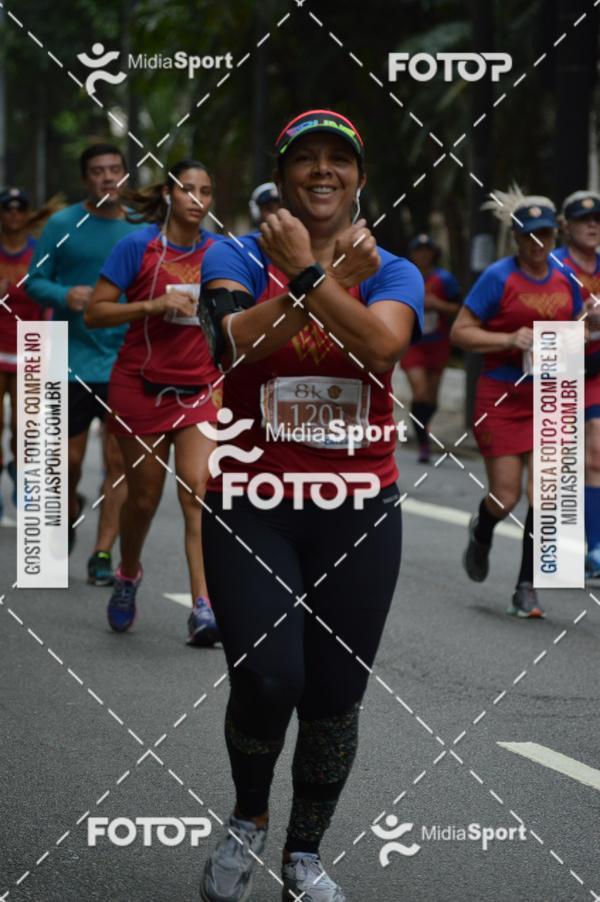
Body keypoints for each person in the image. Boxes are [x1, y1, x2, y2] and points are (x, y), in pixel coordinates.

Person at [197, 109, 424, 902]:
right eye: (306, 160)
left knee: (334, 697)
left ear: (360, 178)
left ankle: (304, 854)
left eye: (338, 160)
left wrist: (313, 279)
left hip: (358, 506)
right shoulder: (233, 254)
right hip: (252, 500)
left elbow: (382, 346)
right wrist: (310, 280)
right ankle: (248, 819)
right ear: (285, 171)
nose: (321, 172)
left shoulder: (394, 269)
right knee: (266, 677)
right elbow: (236, 346)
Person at [85, 160, 223, 645]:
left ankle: (204, 607)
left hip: (199, 389)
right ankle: (127, 573)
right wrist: (153, 304)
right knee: (143, 498)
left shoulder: (220, 252)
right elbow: (95, 313)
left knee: (197, 491)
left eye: (206, 191)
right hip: (139, 386)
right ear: (168, 194)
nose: (197, 199)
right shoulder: (137, 246)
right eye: (188, 189)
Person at [451, 189, 583, 618]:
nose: (537, 244)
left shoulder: (566, 276)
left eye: (544, 234)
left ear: (554, 234)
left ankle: (527, 586)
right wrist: (508, 338)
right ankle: (484, 527)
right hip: (503, 393)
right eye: (528, 236)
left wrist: (582, 328)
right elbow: (461, 332)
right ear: (517, 238)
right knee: (506, 497)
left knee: (546, 498)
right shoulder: (498, 277)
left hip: (552, 393)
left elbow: (578, 325)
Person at [27, 143, 140, 585]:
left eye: (115, 169)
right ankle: (70, 504)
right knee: (68, 461)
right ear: (86, 179)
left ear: (126, 176)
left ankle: (102, 552)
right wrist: (64, 295)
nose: (107, 177)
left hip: (127, 358)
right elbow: (35, 280)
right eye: (98, 171)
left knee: (117, 461)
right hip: (69, 358)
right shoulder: (62, 224)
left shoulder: (142, 226)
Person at [553, 191, 600, 580]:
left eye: (598, 218)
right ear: (566, 225)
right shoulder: (554, 266)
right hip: (562, 369)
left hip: (598, 370)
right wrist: (581, 323)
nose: (593, 224)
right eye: (584, 218)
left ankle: (595, 549)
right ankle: (562, 551)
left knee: (596, 454)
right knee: (564, 465)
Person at [0, 188, 44, 518]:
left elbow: (48, 295)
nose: (13, 215)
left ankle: (21, 477)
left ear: (28, 214)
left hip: (29, 347)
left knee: (23, 424)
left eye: (20, 209)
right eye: (7, 209)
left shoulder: (40, 252)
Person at [400, 233, 461, 461]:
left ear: (434, 253)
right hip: (412, 344)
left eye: (427, 250)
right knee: (420, 391)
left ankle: (422, 425)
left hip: (438, 344)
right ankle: (423, 443)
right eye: (419, 250)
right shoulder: (404, 276)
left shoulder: (444, 279)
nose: (423, 255)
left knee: (432, 398)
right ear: (413, 254)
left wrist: (437, 304)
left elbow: (459, 308)